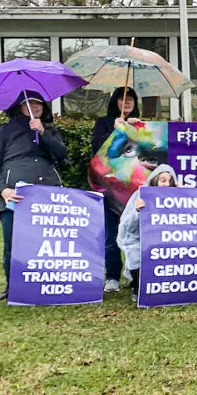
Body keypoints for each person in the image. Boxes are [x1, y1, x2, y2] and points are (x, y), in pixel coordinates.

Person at [0, 95, 68, 301]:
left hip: (47, 193)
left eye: (38, 103)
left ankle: (47, 284)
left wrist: (43, 133)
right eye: (29, 103)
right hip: (14, 196)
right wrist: (2, 190)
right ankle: (12, 286)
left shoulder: (49, 130)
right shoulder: (5, 132)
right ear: (20, 106)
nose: (35, 106)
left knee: (47, 242)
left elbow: (62, 155)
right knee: (13, 242)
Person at [89, 86, 141, 293]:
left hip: (134, 189)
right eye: (122, 99)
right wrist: (114, 130)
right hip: (108, 188)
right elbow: (96, 151)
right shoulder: (104, 123)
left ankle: (135, 274)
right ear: (115, 102)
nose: (127, 102)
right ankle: (112, 276)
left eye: (131, 99)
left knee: (135, 233)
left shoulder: (142, 124)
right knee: (110, 234)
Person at [117, 164, 179, 302]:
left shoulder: (176, 196)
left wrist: (185, 196)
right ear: (155, 180)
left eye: (170, 181)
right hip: (140, 239)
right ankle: (137, 285)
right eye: (162, 180)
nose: (167, 184)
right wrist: (137, 211)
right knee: (136, 253)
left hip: (166, 239)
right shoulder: (140, 195)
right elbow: (127, 227)